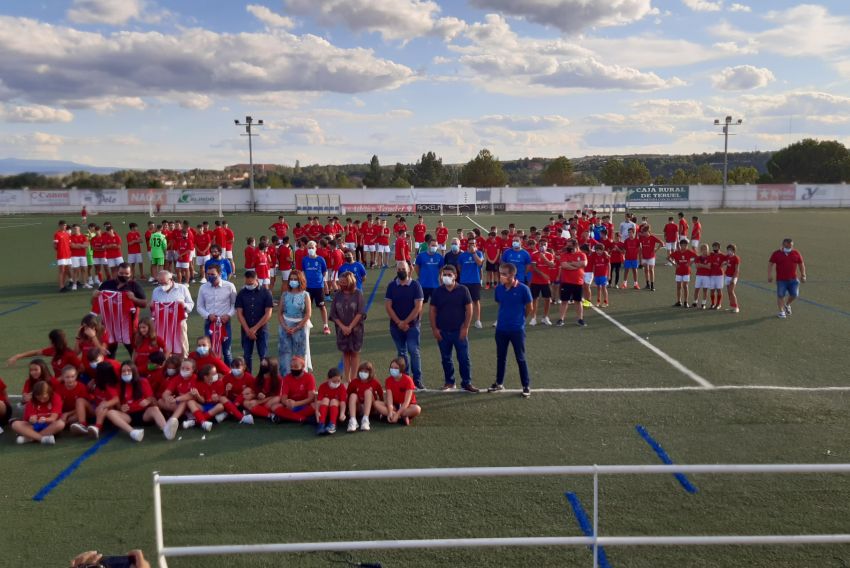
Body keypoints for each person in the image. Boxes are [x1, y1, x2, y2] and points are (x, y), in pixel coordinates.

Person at [485, 262, 533, 397]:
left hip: (517, 330)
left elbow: (530, 308)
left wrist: (520, 319)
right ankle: (499, 383)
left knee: (520, 358)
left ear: (512, 274)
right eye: (501, 274)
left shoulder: (523, 289)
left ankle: (526, 385)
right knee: (501, 357)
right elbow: (500, 303)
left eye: (504, 274)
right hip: (501, 329)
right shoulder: (499, 289)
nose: (501, 276)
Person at [429, 265, 478, 392]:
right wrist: (435, 329)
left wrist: (465, 327)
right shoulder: (438, 292)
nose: (446, 277)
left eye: (449, 275)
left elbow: (469, 309)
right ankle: (449, 382)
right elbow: (432, 311)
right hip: (443, 332)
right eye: (444, 275)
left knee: (463, 358)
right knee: (446, 358)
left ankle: (466, 382)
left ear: (455, 276)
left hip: (459, 331)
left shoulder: (463, 290)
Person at [105, 361, 172, 442]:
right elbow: (118, 405)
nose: (126, 373)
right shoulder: (119, 385)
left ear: (134, 371)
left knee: (154, 409)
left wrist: (148, 401)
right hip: (128, 416)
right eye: (123, 371)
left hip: (144, 414)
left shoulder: (143, 381)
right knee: (110, 413)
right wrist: (121, 408)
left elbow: (153, 400)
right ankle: (133, 433)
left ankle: (166, 429)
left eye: (129, 370)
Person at [384, 261, 425, 390]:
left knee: (413, 351)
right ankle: (406, 379)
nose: (401, 270)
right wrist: (398, 323)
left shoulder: (415, 285)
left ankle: (417, 380)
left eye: (403, 268)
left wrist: (405, 322)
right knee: (401, 353)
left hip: (412, 326)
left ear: (409, 270)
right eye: (399, 269)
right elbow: (388, 306)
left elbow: (418, 307)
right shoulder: (391, 286)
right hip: (396, 327)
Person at [96, 262, 148, 357]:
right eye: (121, 273)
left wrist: (133, 299)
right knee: (109, 353)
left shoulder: (134, 285)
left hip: (129, 326)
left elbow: (144, 303)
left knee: (134, 352)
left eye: (126, 274)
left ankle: (133, 370)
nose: (123, 275)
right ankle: (111, 369)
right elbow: (95, 302)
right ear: (117, 272)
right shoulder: (106, 285)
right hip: (110, 326)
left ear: (130, 274)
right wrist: (94, 296)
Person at [329, 272, 367, 384]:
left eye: (343, 282)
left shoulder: (358, 294)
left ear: (350, 282)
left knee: (354, 353)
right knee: (345, 353)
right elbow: (333, 314)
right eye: (340, 282)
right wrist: (343, 327)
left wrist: (350, 327)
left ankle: (354, 378)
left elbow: (360, 312)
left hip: (356, 330)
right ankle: (347, 378)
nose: (341, 284)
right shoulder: (337, 295)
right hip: (341, 330)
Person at [235, 269, 274, 374]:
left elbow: (268, 313)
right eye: (247, 283)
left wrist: (254, 329)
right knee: (247, 356)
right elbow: (239, 313)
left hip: (262, 329)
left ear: (256, 280)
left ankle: (263, 379)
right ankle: (249, 378)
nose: (248, 285)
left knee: (263, 356)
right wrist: (248, 330)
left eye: (251, 283)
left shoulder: (266, 293)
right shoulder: (241, 293)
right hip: (246, 329)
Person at [196, 264, 237, 365]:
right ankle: (211, 372)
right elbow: (199, 306)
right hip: (209, 323)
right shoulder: (203, 288)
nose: (210, 276)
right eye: (208, 274)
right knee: (209, 350)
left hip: (225, 323)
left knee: (227, 352)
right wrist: (208, 315)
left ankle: (228, 373)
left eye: (213, 274)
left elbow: (235, 304)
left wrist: (228, 315)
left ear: (219, 273)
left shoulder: (229, 286)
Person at [151, 270, 194, 357]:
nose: (162, 285)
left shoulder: (182, 288)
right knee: (162, 343)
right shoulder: (156, 290)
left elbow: (191, 305)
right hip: (161, 323)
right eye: (160, 283)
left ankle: (183, 360)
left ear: (171, 279)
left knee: (181, 342)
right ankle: (164, 361)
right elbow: (153, 308)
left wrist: (183, 305)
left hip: (179, 322)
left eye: (164, 282)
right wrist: (151, 306)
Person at [278, 269, 313, 376]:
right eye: (291, 279)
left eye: (295, 279)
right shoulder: (284, 295)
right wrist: (285, 326)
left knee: (300, 354)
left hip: (300, 327)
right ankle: (285, 378)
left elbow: (308, 314)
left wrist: (297, 327)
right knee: (285, 354)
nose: (293, 281)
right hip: (285, 327)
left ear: (300, 280)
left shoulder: (305, 295)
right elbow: (280, 313)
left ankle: (301, 378)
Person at [8, 329, 82, 378]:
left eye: (50, 341)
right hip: (56, 382)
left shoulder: (69, 354)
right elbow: (36, 352)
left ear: (54, 342)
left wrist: (66, 377)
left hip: (67, 384)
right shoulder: (54, 350)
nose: (49, 343)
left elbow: (81, 368)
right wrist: (18, 356)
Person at [11, 380, 65, 445]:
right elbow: (29, 419)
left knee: (61, 424)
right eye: (39, 398)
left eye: (44, 398)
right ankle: (42, 439)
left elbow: (53, 418)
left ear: (49, 393)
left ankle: (29, 438)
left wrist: (45, 419)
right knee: (15, 424)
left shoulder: (56, 398)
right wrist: (32, 419)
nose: (42, 400)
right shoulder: (32, 401)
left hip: (49, 426)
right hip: (34, 427)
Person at [768, 238, 806, 319]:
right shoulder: (776, 253)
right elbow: (770, 263)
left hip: (793, 279)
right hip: (781, 280)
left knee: (794, 294)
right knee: (780, 295)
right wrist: (770, 275)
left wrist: (803, 274)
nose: (789, 247)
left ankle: (787, 304)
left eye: (791, 246)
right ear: (783, 245)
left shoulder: (796, 253)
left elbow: (801, 264)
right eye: (787, 245)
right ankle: (781, 312)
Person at [273, 355, 317, 423]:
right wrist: (287, 402)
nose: (293, 369)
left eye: (296, 367)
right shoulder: (287, 378)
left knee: (316, 405)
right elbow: (283, 398)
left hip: (305, 405)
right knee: (275, 407)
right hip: (291, 406)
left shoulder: (309, 377)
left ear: (302, 367)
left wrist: (296, 403)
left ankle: (287, 417)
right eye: (291, 367)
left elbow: (311, 398)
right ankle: (302, 418)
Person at [379, 357, 421, 426]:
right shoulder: (388, 380)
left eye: (396, 368)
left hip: (407, 406)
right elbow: (389, 399)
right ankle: (401, 416)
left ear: (401, 369)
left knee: (417, 409)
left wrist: (397, 414)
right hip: (394, 405)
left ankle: (395, 415)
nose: (393, 369)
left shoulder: (408, 380)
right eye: (391, 367)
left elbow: (407, 402)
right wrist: (389, 411)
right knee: (376, 404)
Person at [346, 361, 385, 433]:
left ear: (370, 373)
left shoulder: (375, 382)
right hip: (358, 408)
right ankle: (353, 420)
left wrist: (381, 410)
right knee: (353, 395)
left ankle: (365, 419)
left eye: (366, 371)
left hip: (371, 408)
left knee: (368, 392)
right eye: (361, 371)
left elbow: (381, 396)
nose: (363, 373)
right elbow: (347, 396)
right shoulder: (354, 382)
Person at [556, 240, 588, 327]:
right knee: (564, 301)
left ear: (575, 245)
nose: (567, 247)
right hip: (566, 282)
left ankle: (580, 319)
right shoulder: (564, 254)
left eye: (569, 245)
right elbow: (564, 265)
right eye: (567, 245)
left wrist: (571, 263)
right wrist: (576, 266)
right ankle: (561, 319)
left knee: (578, 301)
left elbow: (584, 264)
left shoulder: (581, 254)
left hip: (578, 282)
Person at [302, 240, 331, 334]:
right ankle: (306, 325)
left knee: (322, 307)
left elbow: (324, 271)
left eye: (312, 247)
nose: (310, 249)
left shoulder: (320, 259)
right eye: (309, 248)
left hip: (318, 287)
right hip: (308, 288)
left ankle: (326, 326)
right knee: (306, 308)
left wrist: (323, 282)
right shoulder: (305, 259)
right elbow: (303, 272)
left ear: (316, 248)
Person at [458, 240, 485, 329]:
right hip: (464, 282)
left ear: (475, 244)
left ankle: (477, 320)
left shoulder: (479, 253)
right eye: (470, 244)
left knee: (476, 301)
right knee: (463, 302)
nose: (471, 245)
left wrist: (474, 253)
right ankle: (463, 320)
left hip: (475, 281)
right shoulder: (462, 255)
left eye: (473, 243)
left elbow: (480, 263)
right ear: (467, 245)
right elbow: (459, 267)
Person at [529, 240, 555, 326]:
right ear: (538, 245)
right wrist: (543, 274)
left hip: (545, 282)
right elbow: (534, 267)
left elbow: (551, 265)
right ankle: (533, 318)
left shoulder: (549, 255)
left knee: (547, 299)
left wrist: (544, 258)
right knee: (534, 299)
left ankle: (545, 317)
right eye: (541, 244)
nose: (542, 246)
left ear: (547, 246)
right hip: (535, 281)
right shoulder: (534, 254)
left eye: (544, 244)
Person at [315, 367, 347, 435]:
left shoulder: (342, 387)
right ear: (328, 379)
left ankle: (332, 424)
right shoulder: (322, 386)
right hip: (324, 409)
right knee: (325, 399)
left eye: (338, 381)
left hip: (336, 410)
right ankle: (321, 424)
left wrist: (342, 413)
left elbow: (342, 403)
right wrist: (317, 411)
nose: (336, 383)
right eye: (334, 381)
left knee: (333, 401)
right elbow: (319, 401)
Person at [668, 238, 697, 307]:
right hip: (678, 272)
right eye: (682, 245)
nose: (684, 246)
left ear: (687, 245)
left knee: (685, 286)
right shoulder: (677, 253)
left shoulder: (689, 252)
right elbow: (668, 257)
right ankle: (679, 301)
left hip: (686, 272)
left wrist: (690, 263)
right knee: (678, 286)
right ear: (680, 245)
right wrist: (674, 264)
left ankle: (686, 302)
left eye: (685, 245)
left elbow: (696, 257)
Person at [414, 238, 444, 303]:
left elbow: (441, 269)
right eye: (432, 245)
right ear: (428, 246)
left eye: (435, 246)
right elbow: (416, 267)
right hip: (423, 285)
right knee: (421, 304)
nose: (434, 247)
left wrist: (439, 277)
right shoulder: (421, 255)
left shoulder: (440, 257)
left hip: (435, 285)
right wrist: (420, 275)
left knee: (436, 304)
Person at [53, 220, 72, 292]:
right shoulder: (57, 234)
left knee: (67, 270)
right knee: (62, 271)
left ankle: (63, 285)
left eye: (65, 225)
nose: (65, 227)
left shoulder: (67, 234)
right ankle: (61, 287)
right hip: (61, 255)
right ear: (60, 226)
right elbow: (55, 246)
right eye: (64, 225)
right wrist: (60, 250)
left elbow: (69, 244)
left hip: (68, 255)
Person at [693, 244, 711, 309]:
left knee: (705, 290)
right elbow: (696, 266)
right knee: (696, 289)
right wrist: (704, 265)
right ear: (701, 250)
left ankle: (703, 303)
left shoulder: (709, 257)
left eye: (706, 249)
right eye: (703, 249)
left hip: (706, 276)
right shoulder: (698, 257)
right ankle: (695, 302)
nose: (704, 251)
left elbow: (709, 267)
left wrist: (700, 265)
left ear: (708, 250)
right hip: (699, 275)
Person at [725, 244, 741, 314]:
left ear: (734, 251)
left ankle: (736, 307)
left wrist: (733, 278)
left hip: (733, 277)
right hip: (727, 276)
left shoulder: (736, 258)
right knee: (729, 292)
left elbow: (737, 270)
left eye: (730, 250)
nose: (729, 251)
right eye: (728, 250)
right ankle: (732, 306)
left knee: (731, 291)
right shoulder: (727, 257)